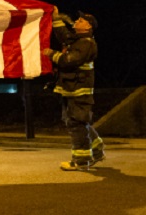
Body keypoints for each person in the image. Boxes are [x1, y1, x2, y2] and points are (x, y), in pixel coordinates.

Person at [42, 11, 104, 171]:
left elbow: (70, 60)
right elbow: (65, 37)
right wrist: (56, 19)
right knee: (78, 122)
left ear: (88, 26)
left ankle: (81, 161)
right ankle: (96, 150)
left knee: (76, 124)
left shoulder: (86, 43)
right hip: (72, 89)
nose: (77, 20)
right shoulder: (78, 40)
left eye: (81, 20)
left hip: (79, 90)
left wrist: (52, 54)